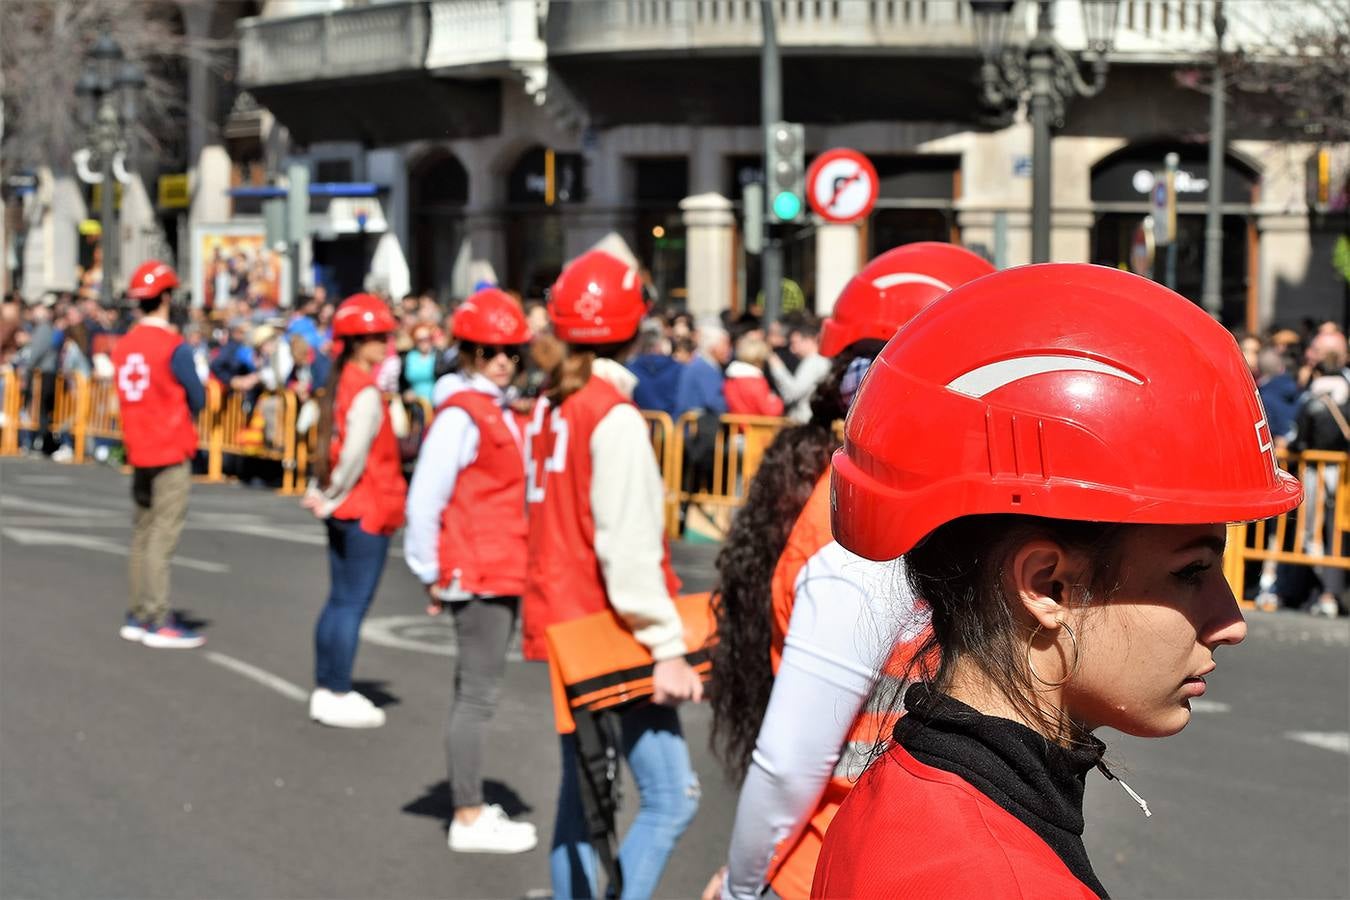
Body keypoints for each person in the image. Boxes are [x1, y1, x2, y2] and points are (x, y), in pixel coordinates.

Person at [812, 263, 1302, 898]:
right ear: (1047, 587)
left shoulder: (907, 800)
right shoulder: (993, 879)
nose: (1231, 622)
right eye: (1191, 572)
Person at [703, 243, 995, 900]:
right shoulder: (966, 522)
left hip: (844, 859)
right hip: (912, 861)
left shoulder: (854, 518)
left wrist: (741, 889)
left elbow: (786, 766)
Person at [525, 248, 703, 900]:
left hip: (568, 624)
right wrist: (666, 646)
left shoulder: (553, 404)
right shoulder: (614, 416)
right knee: (671, 796)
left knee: (585, 797)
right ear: (636, 325)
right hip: (612, 632)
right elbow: (625, 552)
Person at [404, 287, 538, 853]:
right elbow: (426, 497)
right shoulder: (464, 413)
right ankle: (466, 812)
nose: (503, 360)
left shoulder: (490, 408)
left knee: (474, 692)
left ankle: (468, 806)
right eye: (489, 350)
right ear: (468, 353)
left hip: (493, 565)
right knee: (477, 696)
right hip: (479, 569)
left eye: (511, 351)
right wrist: (430, 568)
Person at [302, 294, 408, 729]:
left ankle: (328, 685)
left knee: (339, 599)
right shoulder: (363, 389)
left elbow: (327, 439)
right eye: (377, 337)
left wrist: (321, 492)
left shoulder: (340, 380)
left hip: (346, 507)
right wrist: (332, 493)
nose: (385, 344)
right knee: (351, 603)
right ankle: (338, 689)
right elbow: (354, 454)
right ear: (357, 341)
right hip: (366, 505)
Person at [112, 261, 207, 649]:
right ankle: (157, 615)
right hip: (169, 445)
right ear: (166, 297)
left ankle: (137, 612)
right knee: (162, 536)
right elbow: (196, 395)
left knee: (142, 532)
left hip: (138, 445)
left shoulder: (124, 345)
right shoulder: (172, 345)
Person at [766, 317, 829, 423]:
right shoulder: (814, 361)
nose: (792, 349)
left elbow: (792, 393)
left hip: (805, 421)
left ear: (810, 340)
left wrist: (778, 368)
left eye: (795, 342)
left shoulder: (814, 362)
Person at [627, 320, 684, 418]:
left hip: (642, 425)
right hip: (672, 426)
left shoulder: (630, 367)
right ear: (660, 343)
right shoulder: (678, 367)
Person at [674, 323, 730, 419]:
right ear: (712, 346)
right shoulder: (705, 368)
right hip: (696, 427)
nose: (728, 349)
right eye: (725, 344)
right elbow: (713, 401)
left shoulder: (698, 364)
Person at [722, 333, 785, 417]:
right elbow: (769, 411)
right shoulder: (756, 382)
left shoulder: (730, 380)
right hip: (757, 428)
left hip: (737, 426)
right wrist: (776, 401)